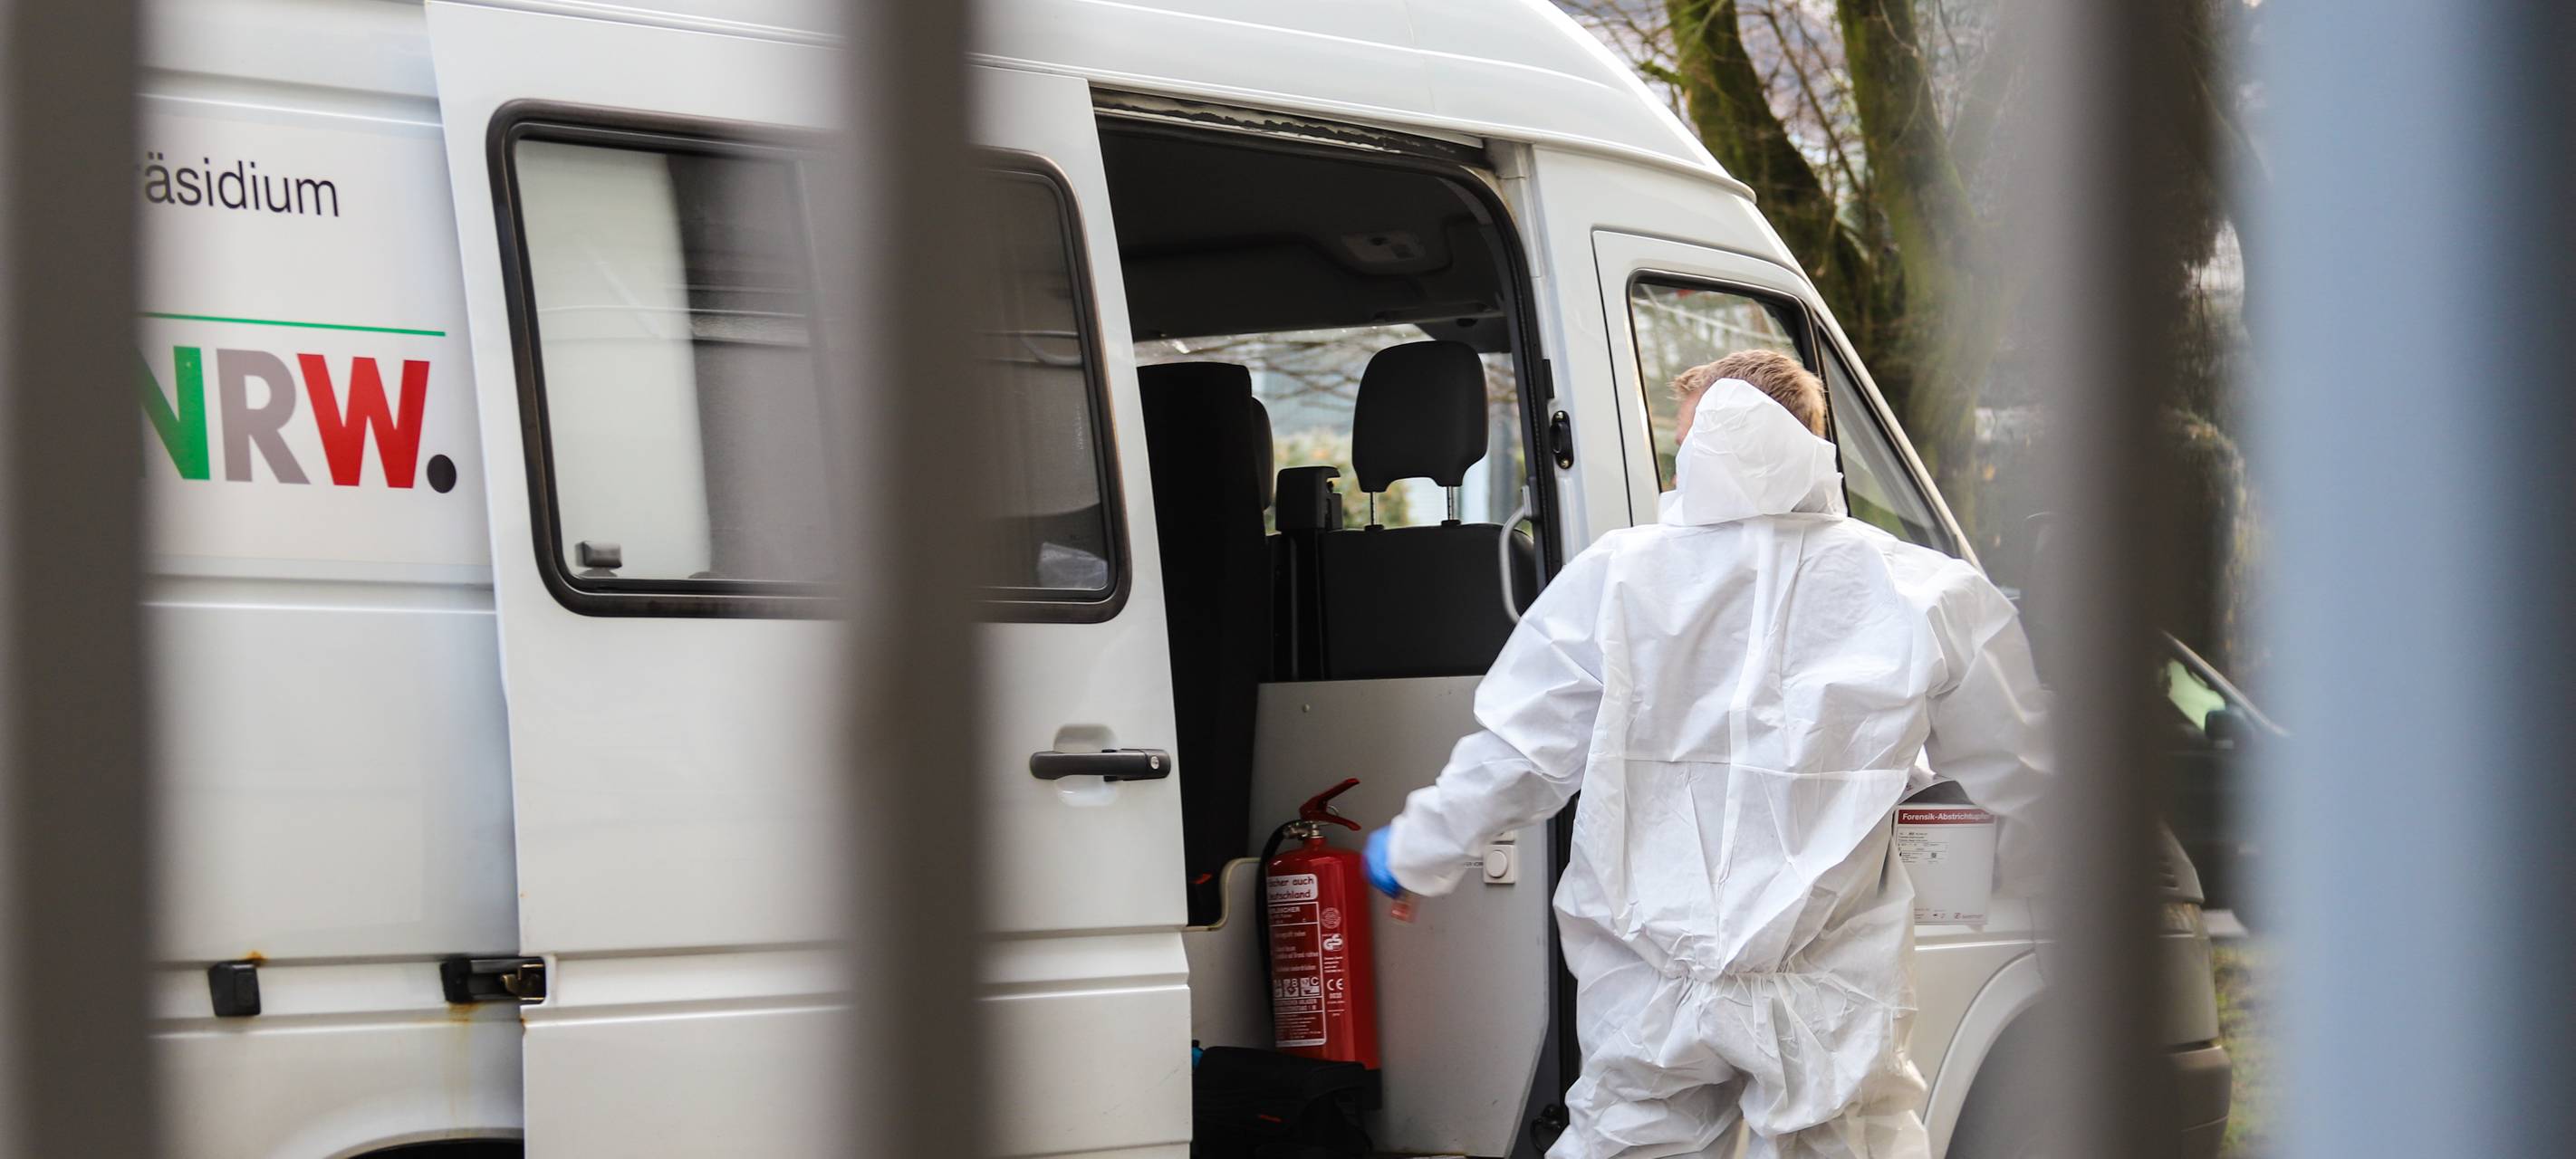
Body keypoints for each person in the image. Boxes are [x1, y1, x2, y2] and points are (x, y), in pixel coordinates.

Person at [1361, 350, 2052, 1159]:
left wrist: (1415, 851)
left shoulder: (1617, 577)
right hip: (1826, 989)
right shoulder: (1921, 591)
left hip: (1649, 987)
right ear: (1813, 445)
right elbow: (2028, 775)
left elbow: (1518, 752)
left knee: (1627, 1141)